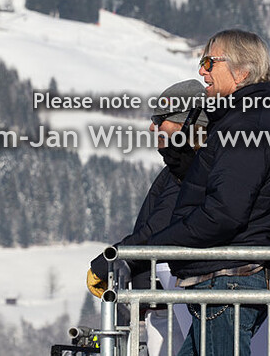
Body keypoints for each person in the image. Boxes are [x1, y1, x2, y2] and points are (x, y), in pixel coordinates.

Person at [148, 29, 270, 356]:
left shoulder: (249, 124)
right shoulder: (244, 121)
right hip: (223, 279)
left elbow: (224, 212)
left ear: (242, 71)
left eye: (209, 61)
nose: (202, 71)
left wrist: (161, 246)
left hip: (228, 280)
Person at [86, 79, 208, 356]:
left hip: (172, 305)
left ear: (186, 122)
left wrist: (109, 261)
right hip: (161, 301)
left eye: (159, 119)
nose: (152, 128)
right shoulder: (177, 166)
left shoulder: (190, 168)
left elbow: (159, 228)